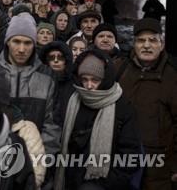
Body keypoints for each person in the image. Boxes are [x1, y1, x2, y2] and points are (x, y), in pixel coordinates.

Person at [54, 49, 141, 190]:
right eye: (84, 79)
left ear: (105, 79)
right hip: (69, 177)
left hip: (104, 183)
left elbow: (130, 154)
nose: (89, 86)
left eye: (95, 80)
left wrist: (103, 183)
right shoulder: (71, 100)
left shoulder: (122, 107)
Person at [0, 13, 61, 155]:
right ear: (7, 42)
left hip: (34, 159)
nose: (22, 49)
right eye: (16, 41)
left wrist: (40, 160)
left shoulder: (47, 77)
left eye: (28, 43)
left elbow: (52, 126)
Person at [118, 18, 177, 189]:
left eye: (152, 40)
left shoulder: (173, 75)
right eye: (141, 40)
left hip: (160, 169)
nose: (146, 45)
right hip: (124, 162)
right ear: (134, 44)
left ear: (162, 44)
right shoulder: (120, 69)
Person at [39, 41, 75, 127]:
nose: (56, 60)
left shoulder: (74, 84)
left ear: (66, 60)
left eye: (60, 57)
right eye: (51, 57)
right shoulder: (38, 82)